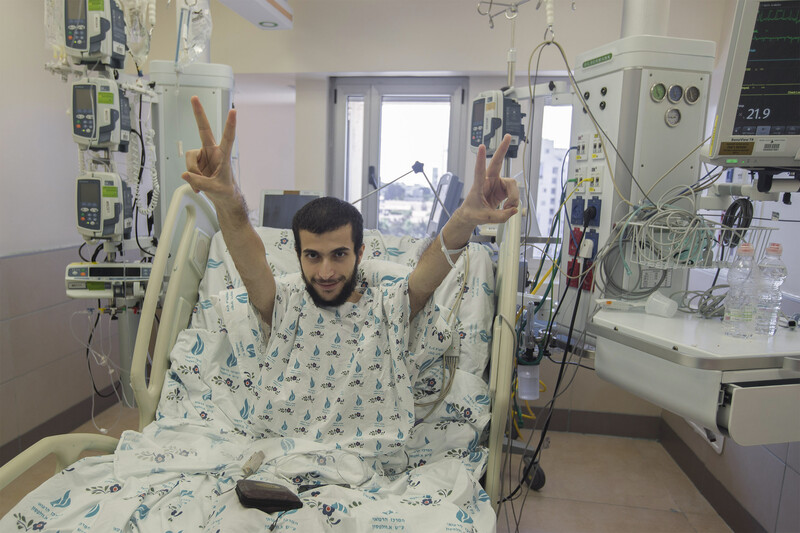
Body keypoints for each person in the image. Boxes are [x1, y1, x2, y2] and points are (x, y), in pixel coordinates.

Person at [181, 95, 519, 327]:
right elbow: (249, 256)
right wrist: (228, 199)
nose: (326, 271)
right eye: (313, 256)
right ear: (298, 256)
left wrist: (464, 219)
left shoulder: (388, 310)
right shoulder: (282, 306)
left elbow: (427, 276)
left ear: (360, 253)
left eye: (339, 254)